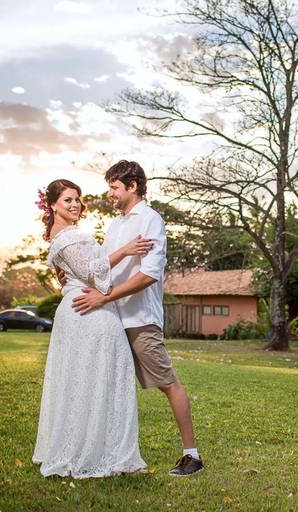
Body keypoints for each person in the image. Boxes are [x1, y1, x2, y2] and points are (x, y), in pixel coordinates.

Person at [70, 160, 204, 477]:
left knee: (168, 383)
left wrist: (105, 296)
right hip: (112, 320)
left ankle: (192, 456)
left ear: (132, 186)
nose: (110, 193)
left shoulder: (150, 220)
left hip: (140, 320)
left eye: (115, 187)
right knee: (110, 386)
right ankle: (108, 454)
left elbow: (148, 276)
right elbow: (104, 266)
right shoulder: (116, 226)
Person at [32, 179, 154, 479]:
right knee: (94, 376)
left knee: (95, 376)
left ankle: (108, 449)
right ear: (52, 205)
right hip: (87, 310)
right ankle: (90, 452)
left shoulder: (67, 235)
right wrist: (126, 250)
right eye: (67, 200)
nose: (75, 205)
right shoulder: (65, 238)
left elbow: (81, 269)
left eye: (77, 199)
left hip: (89, 306)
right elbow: (90, 271)